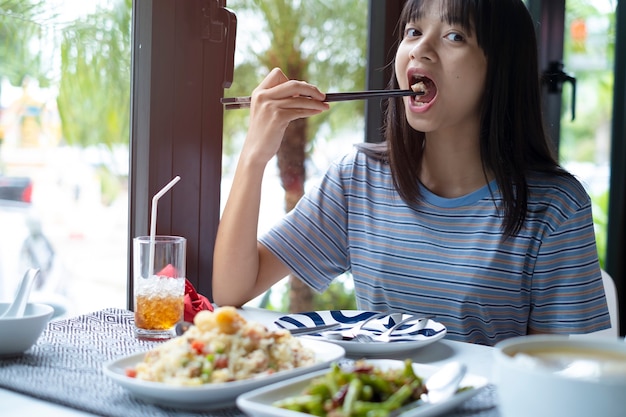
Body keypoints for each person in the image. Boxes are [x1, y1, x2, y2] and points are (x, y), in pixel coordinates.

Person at [212, 0, 610, 346]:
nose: (421, 48)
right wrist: (254, 154)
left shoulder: (556, 206)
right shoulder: (359, 179)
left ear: (500, 69)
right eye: (414, 30)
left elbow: (544, 369)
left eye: (454, 36)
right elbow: (233, 289)